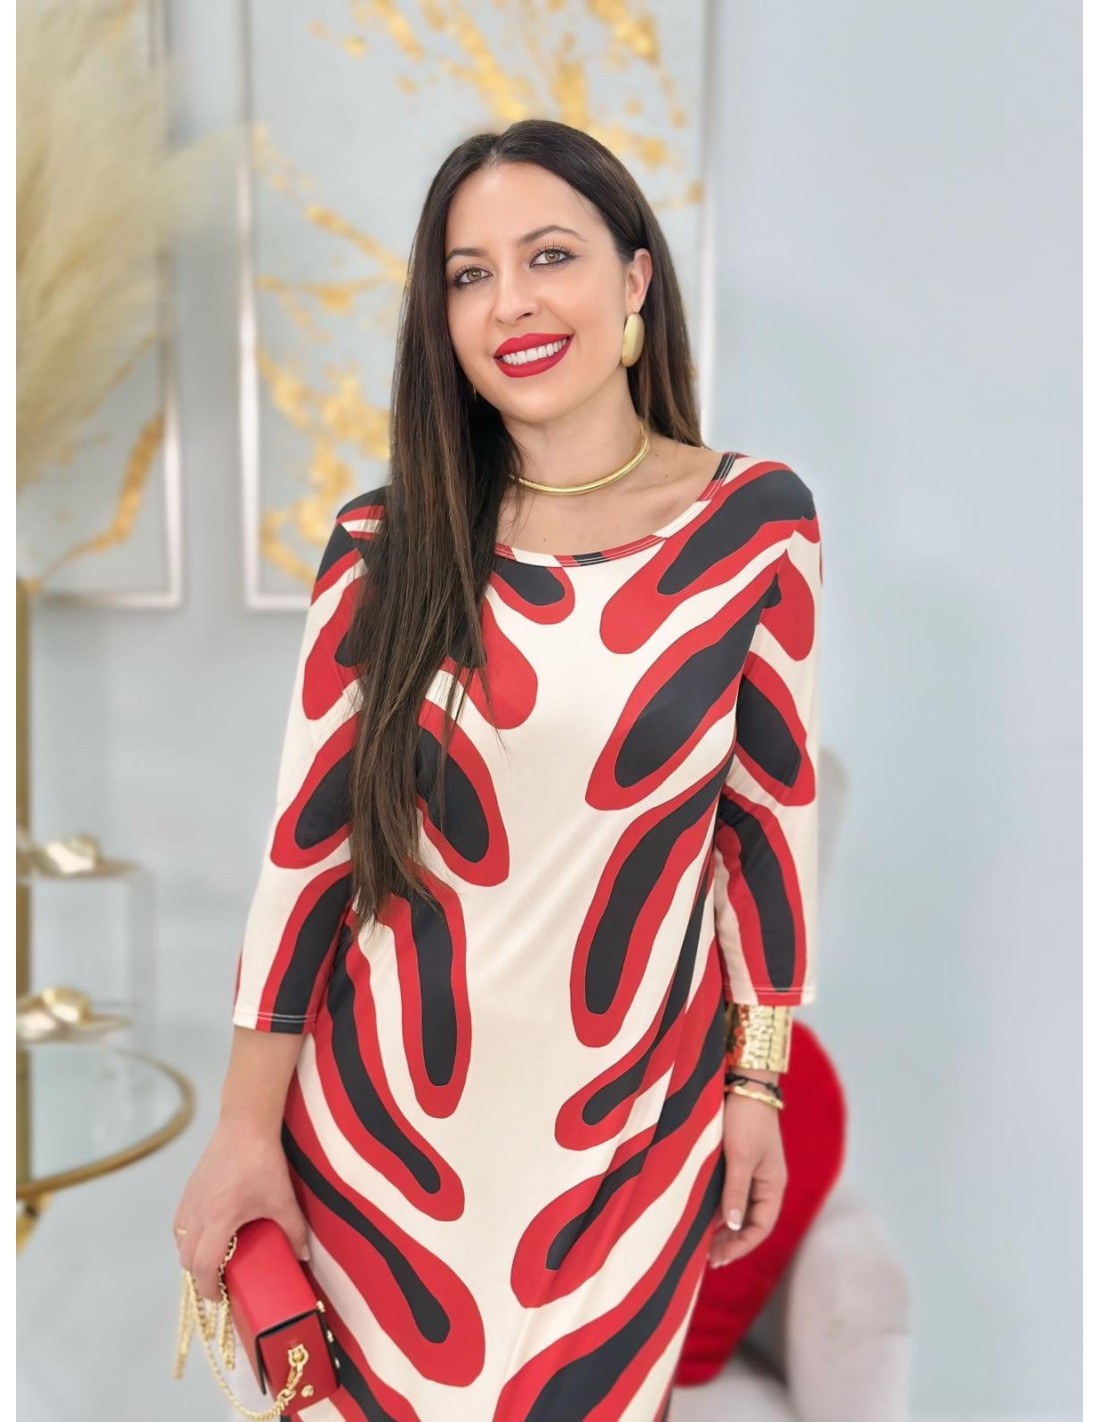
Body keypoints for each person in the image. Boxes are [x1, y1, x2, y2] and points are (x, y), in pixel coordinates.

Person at [173, 116, 822, 1421]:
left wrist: (756, 1082)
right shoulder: (385, 540)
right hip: (381, 1151)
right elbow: (307, 857)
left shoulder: (755, 522)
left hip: (631, 1147)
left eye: (549, 256)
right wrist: (245, 1126)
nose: (510, 301)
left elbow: (764, 829)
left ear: (636, 279)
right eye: (469, 274)